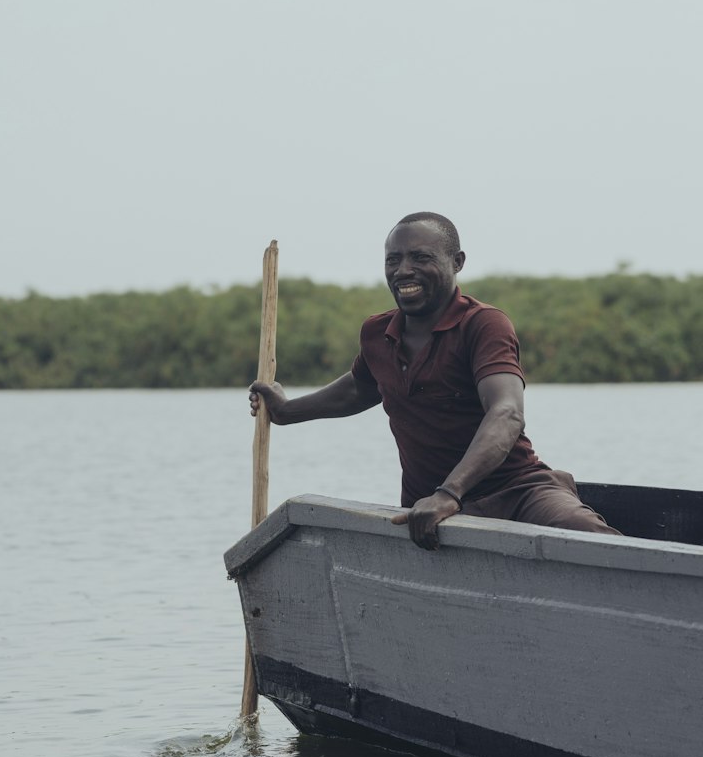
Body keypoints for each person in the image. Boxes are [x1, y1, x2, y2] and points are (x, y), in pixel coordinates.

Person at [249, 212, 622, 550]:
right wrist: (286, 410)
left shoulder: (483, 324)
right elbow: (359, 388)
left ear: (457, 262)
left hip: (516, 491)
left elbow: (506, 412)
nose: (403, 270)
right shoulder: (377, 333)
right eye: (393, 260)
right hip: (428, 509)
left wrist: (450, 493)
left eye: (421, 258)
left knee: (584, 533)